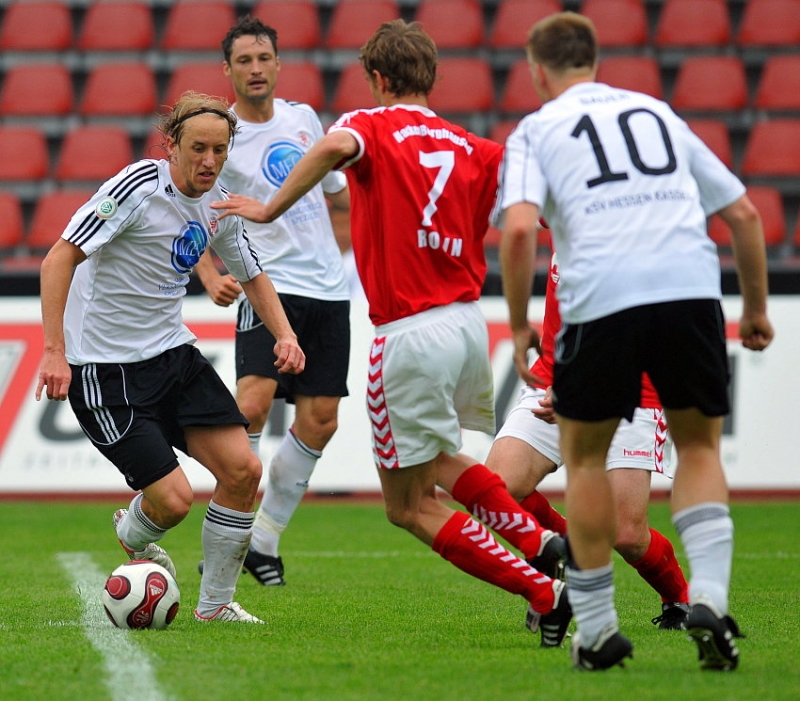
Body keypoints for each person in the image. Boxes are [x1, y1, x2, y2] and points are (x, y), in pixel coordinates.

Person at [211, 19, 573, 647]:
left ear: (377, 78)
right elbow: (529, 219)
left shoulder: (367, 125)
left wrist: (269, 209)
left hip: (408, 329)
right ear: (431, 75)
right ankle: (538, 538)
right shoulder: (476, 147)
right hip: (468, 325)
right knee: (435, 459)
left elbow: (329, 151)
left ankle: (545, 591)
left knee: (407, 506)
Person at [496, 12, 773, 670]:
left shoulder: (536, 129)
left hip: (604, 298)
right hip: (689, 289)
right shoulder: (658, 114)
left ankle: (596, 630)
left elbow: (516, 230)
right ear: (595, 61)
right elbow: (744, 212)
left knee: (584, 461)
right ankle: (707, 595)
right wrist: (756, 310)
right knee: (700, 446)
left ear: (538, 71)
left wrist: (515, 324)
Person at [35, 91, 305, 624]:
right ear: (173, 146)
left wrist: (286, 335)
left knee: (244, 470)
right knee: (175, 502)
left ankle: (215, 606)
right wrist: (54, 351)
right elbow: (59, 256)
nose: (209, 161)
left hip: (172, 356)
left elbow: (251, 274)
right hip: (104, 370)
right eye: (199, 148)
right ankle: (134, 531)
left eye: (220, 150)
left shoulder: (219, 204)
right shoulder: (138, 187)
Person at [193, 16, 352, 587]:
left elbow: (339, 197)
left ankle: (264, 540)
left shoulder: (304, 119)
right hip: (268, 283)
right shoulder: (222, 134)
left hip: (329, 289)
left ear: (278, 64)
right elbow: (193, 208)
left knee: (322, 419)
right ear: (229, 70)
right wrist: (209, 270)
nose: (256, 69)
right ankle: (229, 535)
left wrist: (347, 259)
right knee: (254, 402)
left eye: (264, 58)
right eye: (244, 61)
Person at [486, 243, 690, 633]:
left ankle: (679, 600)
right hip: (555, 380)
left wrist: (575, 388)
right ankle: (562, 548)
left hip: (634, 388)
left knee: (626, 534)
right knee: (497, 487)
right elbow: (518, 218)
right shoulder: (565, 195)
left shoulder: (636, 231)